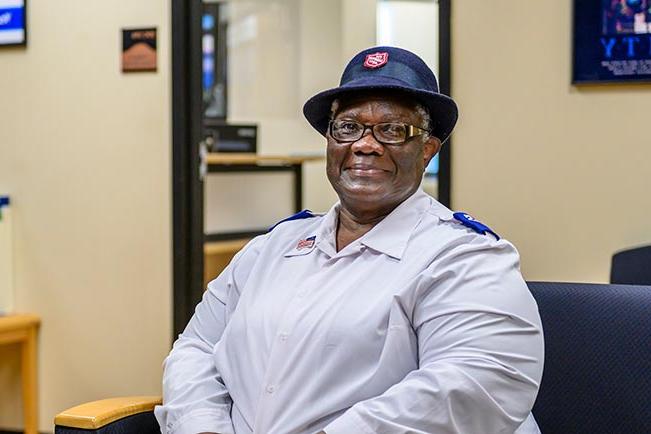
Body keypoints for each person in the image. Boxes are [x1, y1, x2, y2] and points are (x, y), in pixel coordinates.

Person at [154, 46, 544, 434]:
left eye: (392, 130)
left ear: (427, 150)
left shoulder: (465, 258)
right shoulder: (272, 247)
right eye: (348, 127)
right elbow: (196, 349)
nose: (365, 145)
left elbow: (475, 387)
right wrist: (204, 427)